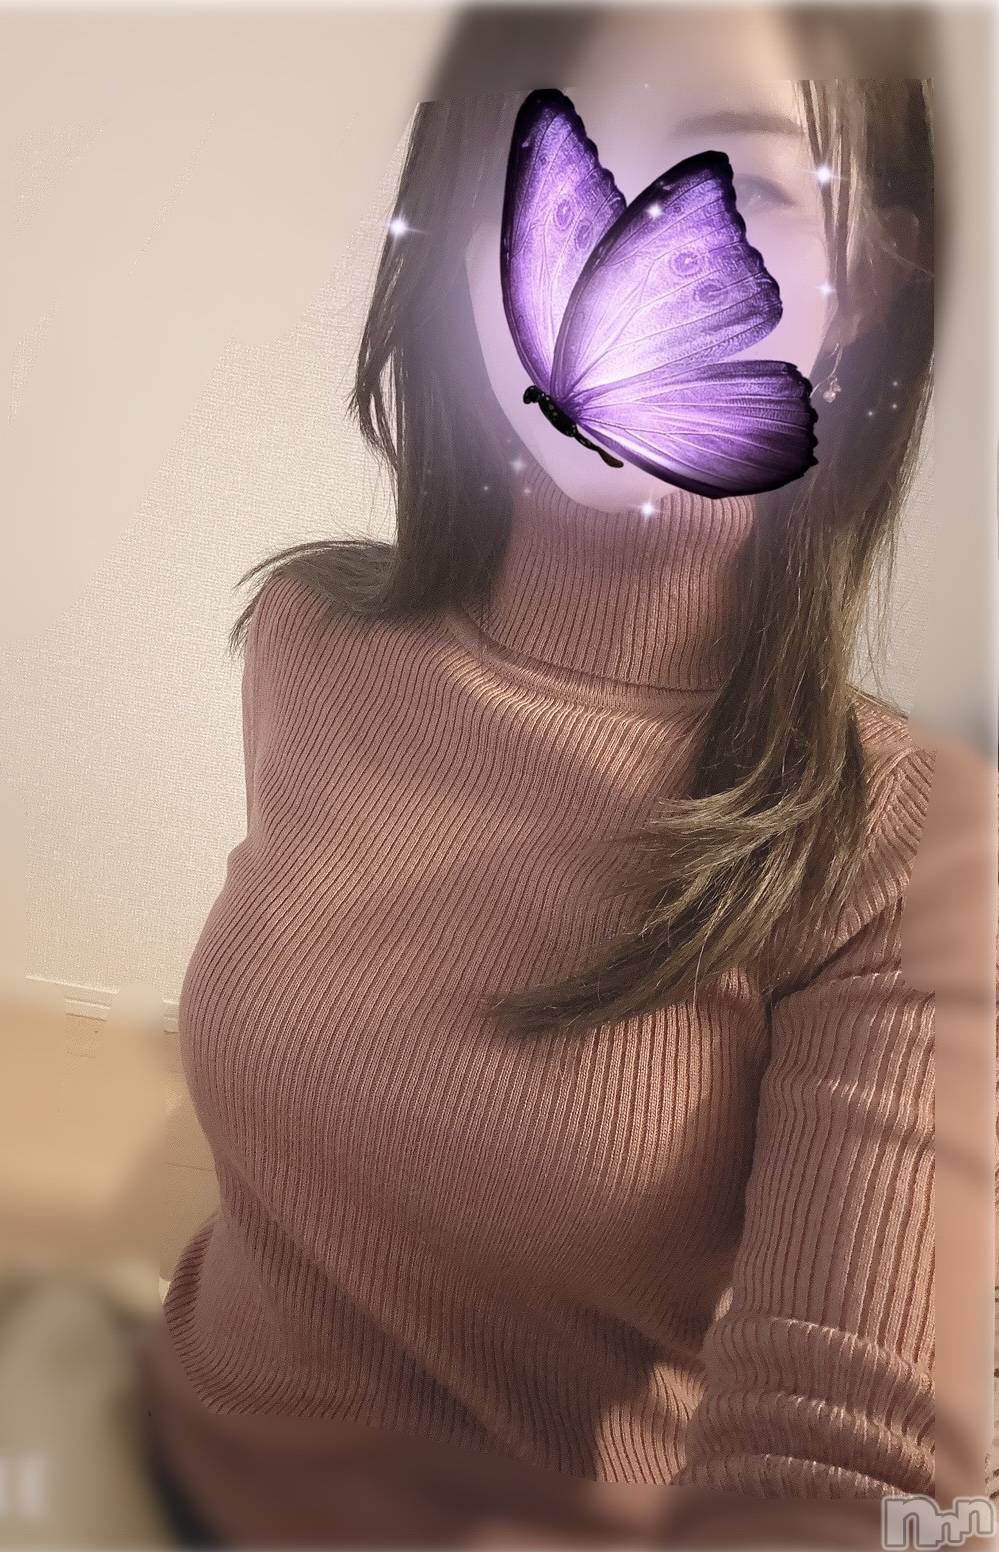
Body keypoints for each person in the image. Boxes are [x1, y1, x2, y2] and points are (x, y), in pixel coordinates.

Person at [140, 6, 950, 1546]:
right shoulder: (307, 638)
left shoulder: (896, 844)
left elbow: (844, 1468)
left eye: (737, 180)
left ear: (867, 285)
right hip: (154, 1456)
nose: (588, 264)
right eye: (544, 169)